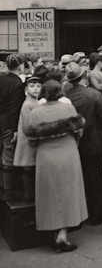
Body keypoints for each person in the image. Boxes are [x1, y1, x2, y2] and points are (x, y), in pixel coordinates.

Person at [24, 80, 87, 252]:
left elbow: (31, 141)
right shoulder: (68, 109)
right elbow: (78, 132)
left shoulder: (36, 113)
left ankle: (54, 231)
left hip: (46, 157)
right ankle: (62, 234)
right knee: (68, 193)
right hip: (68, 153)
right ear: (59, 92)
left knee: (49, 194)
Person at [64, 62, 102, 226]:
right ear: (83, 76)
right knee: (96, 176)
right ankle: (97, 211)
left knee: (80, 177)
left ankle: (83, 210)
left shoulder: (66, 96)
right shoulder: (94, 95)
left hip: (74, 143)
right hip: (94, 141)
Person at [0, 54, 26, 201]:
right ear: (20, 66)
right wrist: (15, 129)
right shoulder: (17, 84)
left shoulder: (1, 79)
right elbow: (15, 108)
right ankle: (7, 191)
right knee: (8, 155)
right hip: (8, 122)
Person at [13, 75, 41, 201]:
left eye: (38, 86)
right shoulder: (28, 104)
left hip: (31, 140)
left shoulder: (35, 102)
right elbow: (27, 125)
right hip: (28, 141)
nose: (35, 89)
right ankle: (29, 195)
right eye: (32, 86)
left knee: (31, 167)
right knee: (28, 167)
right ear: (26, 90)